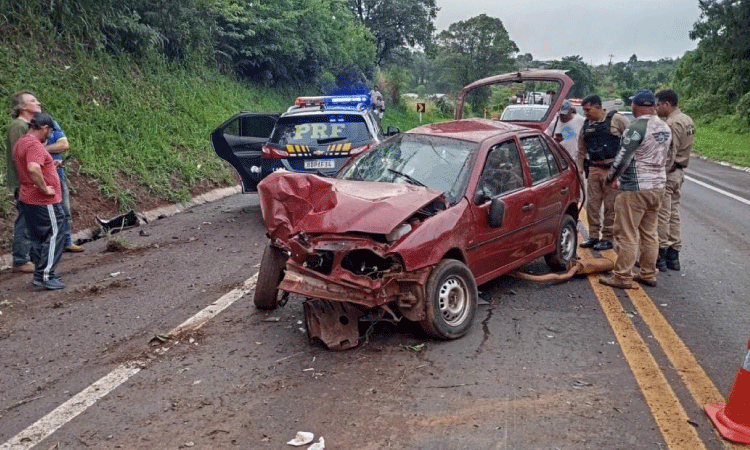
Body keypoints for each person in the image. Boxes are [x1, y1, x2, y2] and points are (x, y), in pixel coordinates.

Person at [599, 90, 672, 289]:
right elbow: (669, 157)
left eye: (632, 104)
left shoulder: (636, 128)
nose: (631, 107)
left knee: (627, 233)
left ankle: (622, 276)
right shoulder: (665, 127)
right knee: (650, 232)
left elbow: (623, 158)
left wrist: (611, 177)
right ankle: (648, 273)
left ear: (637, 105)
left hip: (636, 186)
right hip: (658, 186)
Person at [13, 112, 66, 290]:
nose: (50, 135)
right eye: (50, 131)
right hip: (42, 200)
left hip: (28, 197)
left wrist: (51, 165)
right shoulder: (34, 144)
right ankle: (45, 275)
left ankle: (41, 272)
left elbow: (34, 166)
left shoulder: (21, 142)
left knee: (39, 238)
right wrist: (44, 188)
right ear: (44, 128)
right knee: (56, 232)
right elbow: (33, 168)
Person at [577, 95, 631, 251]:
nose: (585, 113)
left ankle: (607, 237)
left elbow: (631, 143)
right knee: (592, 205)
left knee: (611, 206)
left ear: (598, 107)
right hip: (594, 169)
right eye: (584, 110)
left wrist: (624, 169)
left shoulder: (617, 120)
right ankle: (593, 236)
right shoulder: (586, 124)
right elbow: (581, 150)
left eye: (588, 110)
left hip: (612, 170)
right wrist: (579, 169)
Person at [655, 89, 694, 272]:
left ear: (666, 104)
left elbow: (670, 152)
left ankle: (661, 253)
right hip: (680, 171)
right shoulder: (687, 120)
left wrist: (661, 173)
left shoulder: (672, 123)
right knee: (674, 213)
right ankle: (674, 254)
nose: (657, 108)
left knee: (663, 213)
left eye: (658, 104)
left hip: (670, 172)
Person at [5, 90, 41, 273]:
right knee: (25, 219)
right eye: (33, 101)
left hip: (30, 179)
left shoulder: (28, 126)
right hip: (24, 181)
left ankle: (32, 257)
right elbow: (20, 154)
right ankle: (20, 259)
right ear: (22, 107)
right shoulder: (18, 126)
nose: (38, 103)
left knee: (33, 219)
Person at [46, 120, 84, 253]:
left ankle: (66, 241)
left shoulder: (51, 123)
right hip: (41, 177)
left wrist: (42, 149)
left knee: (64, 210)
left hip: (58, 176)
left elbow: (64, 144)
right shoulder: (28, 127)